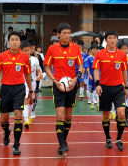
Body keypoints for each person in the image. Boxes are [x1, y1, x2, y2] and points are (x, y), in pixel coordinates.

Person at [43, 22, 84, 156]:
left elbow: (81, 66)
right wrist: (54, 80)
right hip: (59, 86)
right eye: (64, 33)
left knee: (68, 116)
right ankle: (61, 145)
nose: (67, 35)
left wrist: (75, 79)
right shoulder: (52, 49)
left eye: (68, 33)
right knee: (60, 115)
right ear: (58, 35)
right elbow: (47, 67)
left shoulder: (76, 48)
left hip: (72, 86)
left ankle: (64, 140)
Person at [0, 32, 32, 155]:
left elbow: (27, 75)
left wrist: (30, 91)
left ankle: (16, 145)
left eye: (17, 40)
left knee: (18, 115)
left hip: (19, 89)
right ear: (8, 42)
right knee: (4, 119)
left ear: (20, 42)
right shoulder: (2, 56)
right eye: (12, 40)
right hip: (5, 89)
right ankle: (6, 131)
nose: (14, 42)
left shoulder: (24, 57)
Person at [92, 29, 128, 151]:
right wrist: (97, 84)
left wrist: (126, 86)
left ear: (117, 40)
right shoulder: (99, 54)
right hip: (105, 88)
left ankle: (118, 138)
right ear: (106, 40)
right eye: (110, 38)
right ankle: (108, 137)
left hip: (119, 88)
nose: (112, 40)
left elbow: (124, 71)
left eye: (114, 38)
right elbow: (96, 70)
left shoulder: (122, 55)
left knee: (121, 113)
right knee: (106, 114)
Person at [21, 42, 42, 129]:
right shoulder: (19, 59)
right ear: (21, 51)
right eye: (24, 50)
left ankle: (29, 116)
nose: (26, 52)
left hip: (33, 83)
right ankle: (25, 120)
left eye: (28, 50)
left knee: (31, 100)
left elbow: (39, 70)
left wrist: (39, 75)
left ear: (31, 50)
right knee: (26, 98)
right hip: (23, 83)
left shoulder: (35, 60)